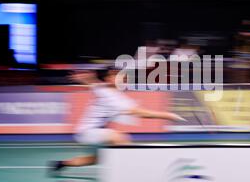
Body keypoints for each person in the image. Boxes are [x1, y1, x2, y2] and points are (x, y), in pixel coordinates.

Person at [50, 67, 184, 171]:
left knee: (96, 159)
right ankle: (132, 170)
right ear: (108, 79)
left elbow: (92, 82)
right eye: (116, 76)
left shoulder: (108, 92)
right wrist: (167, 115)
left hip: (92, 133)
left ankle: (61, 164)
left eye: (122, 76)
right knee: (119, 137)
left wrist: (84, 78)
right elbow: (139, 113)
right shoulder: (110, 95)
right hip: (88, 132)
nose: (121, 78)